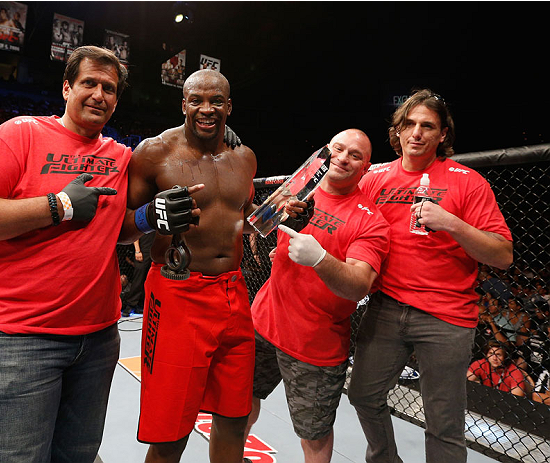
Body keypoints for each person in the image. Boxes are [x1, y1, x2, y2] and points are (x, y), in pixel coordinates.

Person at [0, 46, 130, 463]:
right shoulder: (19, 134)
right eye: (89, 84)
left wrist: (152, 219)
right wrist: (56, 206)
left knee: (77, 457)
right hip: (17, 340)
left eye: (109, 89)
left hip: (97, 340)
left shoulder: (120, 156)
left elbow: (118, 225)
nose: (99, 94)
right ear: (66, 87)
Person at [120, 69, 311, 463]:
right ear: (184, 104)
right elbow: (121, 226)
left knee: (234, 415)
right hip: (177, 293)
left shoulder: (244, 157)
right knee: (171, 431)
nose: (206, 109)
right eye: (197, 100)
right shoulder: (154, 153)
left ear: (228, 106)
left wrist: (284, 214)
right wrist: (153, 216)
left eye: (216, 101)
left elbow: (242, 216)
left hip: (233, 293)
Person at [347, 89, 514, 462]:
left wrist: (452, 224)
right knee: (362, 395)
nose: (416, 133)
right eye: (409, 124)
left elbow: (503, 254)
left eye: (428, 126)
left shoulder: (467, 181)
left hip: (446, 316)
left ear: (442, 135)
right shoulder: (375, 179)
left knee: (443, 425)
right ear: (398, 131)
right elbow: (345, 222)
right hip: (386, 307)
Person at [244, 129, 390, 463]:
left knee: (313, 435)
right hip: (263, 321)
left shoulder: (371, 222)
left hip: (314, 345)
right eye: (338, 149)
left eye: (355, 155)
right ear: (326, 151)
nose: (342, 158)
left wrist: (321, 259)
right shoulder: (300, 186)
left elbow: (359, 284)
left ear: (366, 168)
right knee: (241, 403)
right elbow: (259, 226)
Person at [121, 232, 155, 316]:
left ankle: (141, 305)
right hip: (143, 251)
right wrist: (137, 251)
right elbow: (136, 235)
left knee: (148, 279)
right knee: (138, 279)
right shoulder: (144, 221)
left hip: (153, 251)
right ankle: (130, 304)